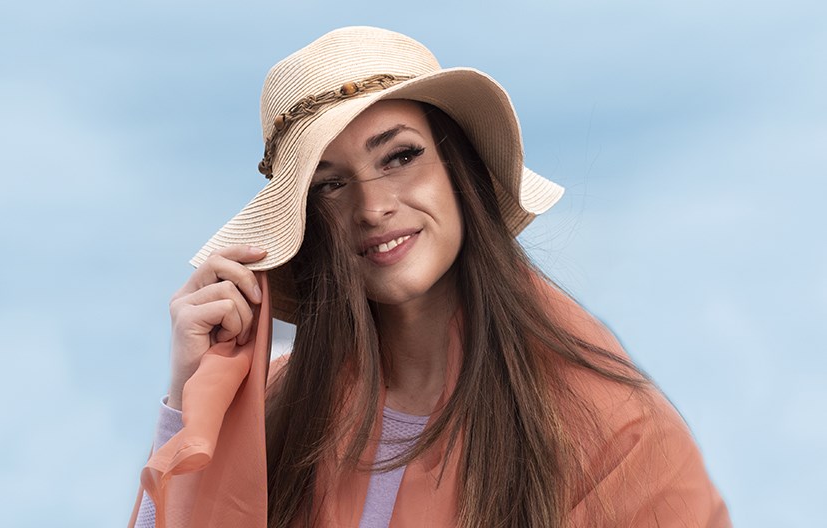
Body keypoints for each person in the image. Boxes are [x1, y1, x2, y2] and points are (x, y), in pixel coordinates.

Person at [129, 26, 730, 528]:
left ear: (457, 166)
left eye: (400, 156)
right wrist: (191, 396)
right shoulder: (279, 407)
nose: (372, 208)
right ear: (306, 225)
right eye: (330, 185)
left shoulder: (614, 429)